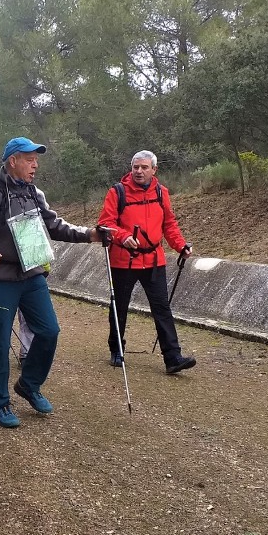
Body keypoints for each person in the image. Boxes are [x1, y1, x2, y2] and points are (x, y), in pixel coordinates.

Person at [0, 136, 105, 428]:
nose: (35, 164)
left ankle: (29, 384)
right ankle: (0, 404)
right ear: (12, 160)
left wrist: (90, 234)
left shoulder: (35, 193)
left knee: (49, 331)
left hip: (32, 274)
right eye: (29, 159)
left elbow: (55, 225)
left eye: (36, 159)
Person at [97, 150, 196, 375]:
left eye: (144, 167)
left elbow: (169, 224)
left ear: (154, 170)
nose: (139, 171)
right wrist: (123, 237)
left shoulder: (161, 193)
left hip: (153, 260)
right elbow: (106, 223)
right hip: (123, 260)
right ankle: (116, 348)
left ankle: (173, 358)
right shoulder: (117, 192)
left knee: (162, 307)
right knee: (119, 306)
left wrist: (181, 245)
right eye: (135, 167)